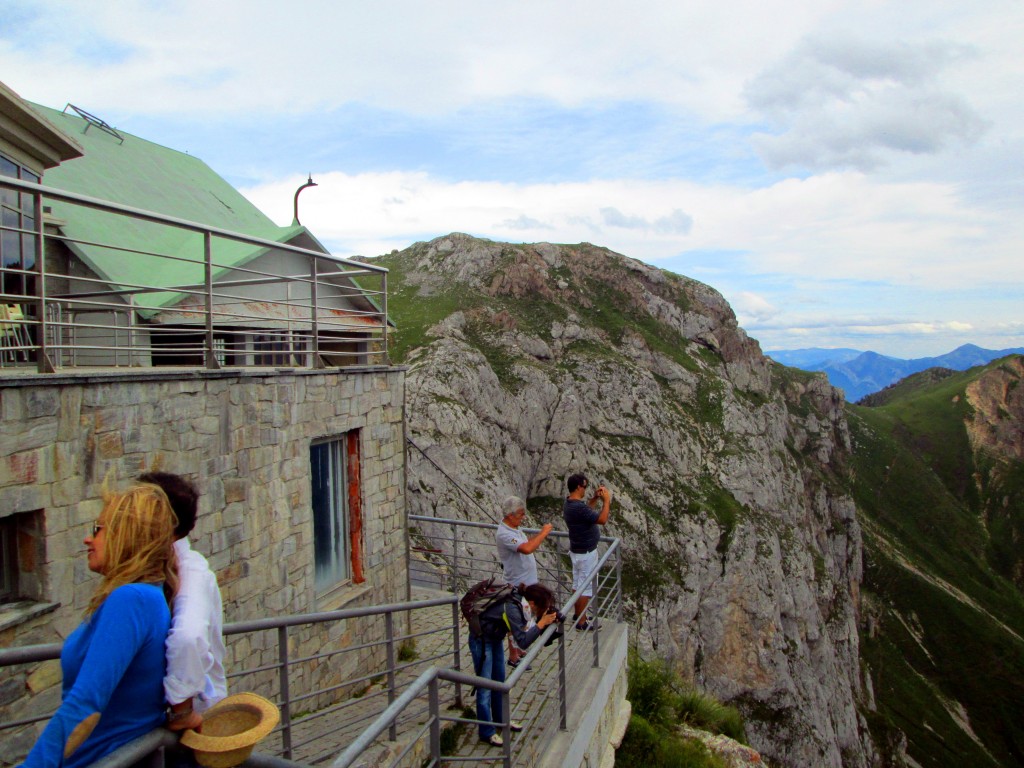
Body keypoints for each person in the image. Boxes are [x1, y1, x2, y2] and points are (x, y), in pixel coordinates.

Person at [21, 484, 178, 768]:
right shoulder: (148, 596)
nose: (87, 539)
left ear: (124, 536)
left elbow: (85, 704)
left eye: (97, 529)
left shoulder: (132, 599)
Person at [139, 471, 227, 733]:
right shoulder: (156, 570)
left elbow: (188, 638)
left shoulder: (190, 572)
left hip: (190, 730)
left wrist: (182, 711)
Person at [470, 583, 560, 747]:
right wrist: (540, 624)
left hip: (495, 638)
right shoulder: (513, 608)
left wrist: (547, 619)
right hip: (482, 640)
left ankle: (501, 720)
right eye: (541, 608)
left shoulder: (521, 603)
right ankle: (486, 732)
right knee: (484, 687)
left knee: (499, 682)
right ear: (532, 603)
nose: (539, 612)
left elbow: (524, 628)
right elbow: (523, 641)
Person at [494, 496, 552, 666]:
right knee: (515, 621)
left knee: (524, 616)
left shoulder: (515, 528)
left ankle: (518, 649)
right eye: (520, 514)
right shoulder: (505, 534)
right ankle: (513, 656)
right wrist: (543, 533)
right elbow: (526, 548)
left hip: (526, 582)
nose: (523, 517)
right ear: (510, 515)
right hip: (517, 584)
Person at [562, 473, 611, 630]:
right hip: (586, 553)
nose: (585, 489)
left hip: (577, 551)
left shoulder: (570, 503)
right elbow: (602, 520)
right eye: (584, 486)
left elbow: (586, 511)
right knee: (586, 587)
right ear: (578, 487)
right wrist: (607, 501)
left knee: (578, 584)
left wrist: (595, 498)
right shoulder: (577, 507)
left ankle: (579, 614)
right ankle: (581, 623)